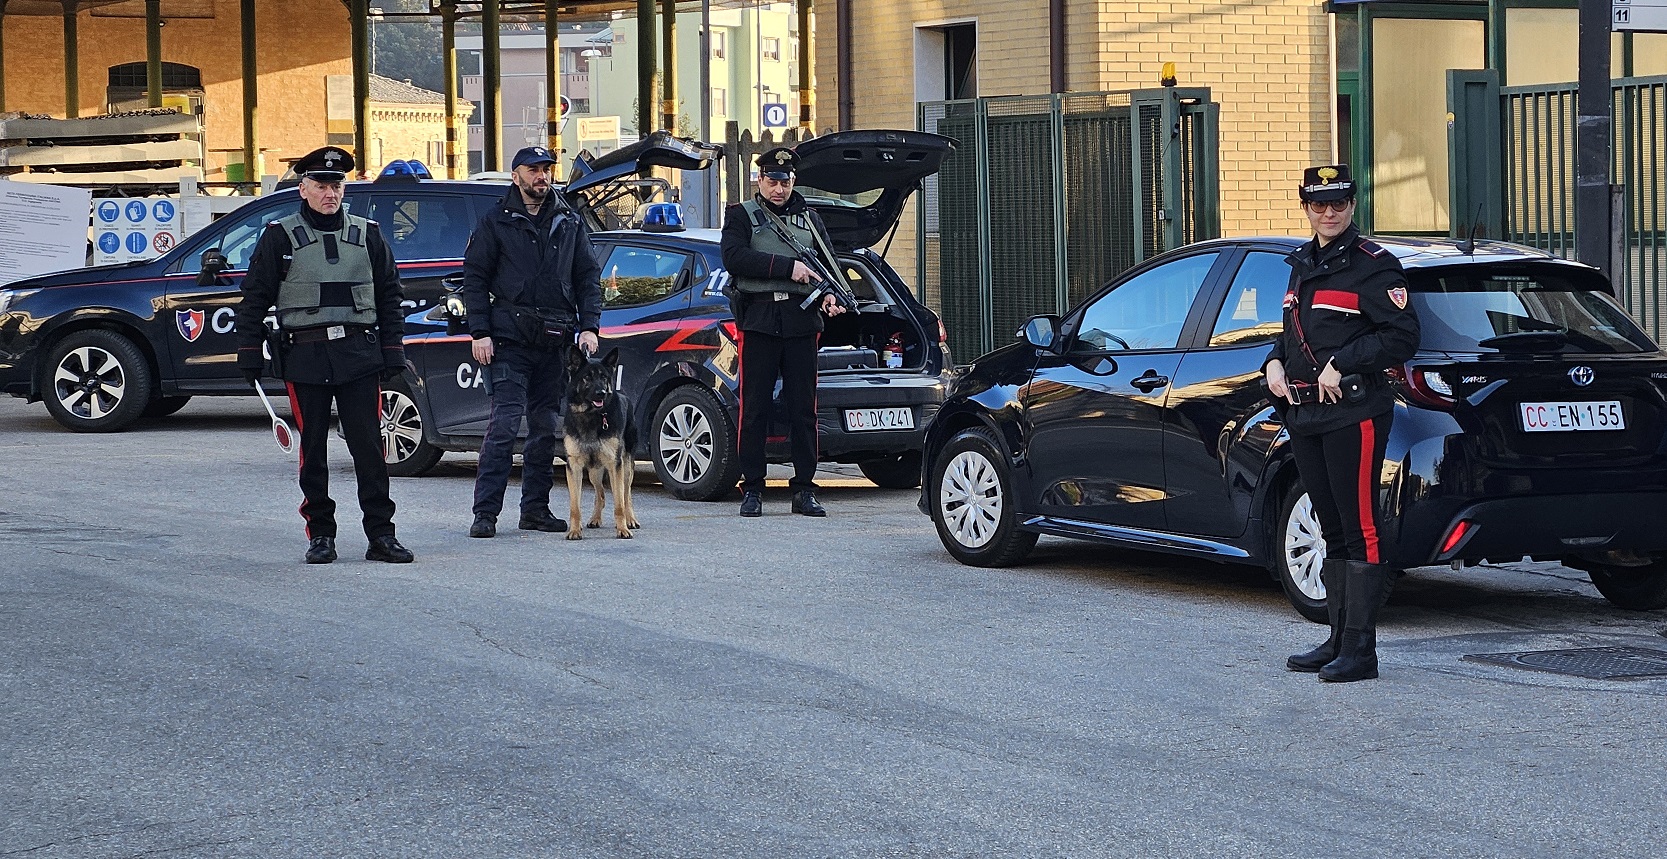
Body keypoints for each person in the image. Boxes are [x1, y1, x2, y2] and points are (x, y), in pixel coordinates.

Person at [1264, 164, 1420, 683]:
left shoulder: (1374, 266)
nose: (1328, 212)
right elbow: (1294, 329)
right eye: (1317, 203)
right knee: (1330, 528)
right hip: (1306, 413)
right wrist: (1274, 362)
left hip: (1355, 412)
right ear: (1305, 206)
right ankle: (1336, 637)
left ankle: (1361, 650)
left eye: (1338, 203)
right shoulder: (1301, 262)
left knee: (1361, 528)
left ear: (1352, 205)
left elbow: (1402, 337)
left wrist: (1346, 362)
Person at [235, 146, 415, 565]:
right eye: (320, 185)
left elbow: (390, 296)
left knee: (370, 449)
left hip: (359, 354)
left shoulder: (368, 234)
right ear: (303, 189)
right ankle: (321, 534)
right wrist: (248, 352)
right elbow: (255, 298)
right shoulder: (279, 236)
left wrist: (393, 352)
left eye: (336, 185)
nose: (330, 193)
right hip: (306, 355)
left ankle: (381, 536)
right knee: (312, 451)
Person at [462, 145, 602, 538]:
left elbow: (587, 279)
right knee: (505, 424)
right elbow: (474, 279)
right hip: (508, 339)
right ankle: (485, 513)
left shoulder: (570, 221)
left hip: (556, 341)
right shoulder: (496, 221)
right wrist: (479, 332)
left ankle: (535, 511)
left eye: (546, 169)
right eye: (533, 169)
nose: (541, 176)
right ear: (516, 176)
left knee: (544, 427)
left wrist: (589, 326)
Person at [721, 146, 849, 518]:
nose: (780, 189)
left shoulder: (809, 218)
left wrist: (828, 294)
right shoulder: (741, 216)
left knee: (803, 410)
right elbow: (734, 257)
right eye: (773, 181)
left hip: (800, 322)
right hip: (759, 320)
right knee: (754, 408)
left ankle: (805, 489)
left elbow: (827, 263)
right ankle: (754, 488)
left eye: (787, 181)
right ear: (759, 180)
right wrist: (785, 267)